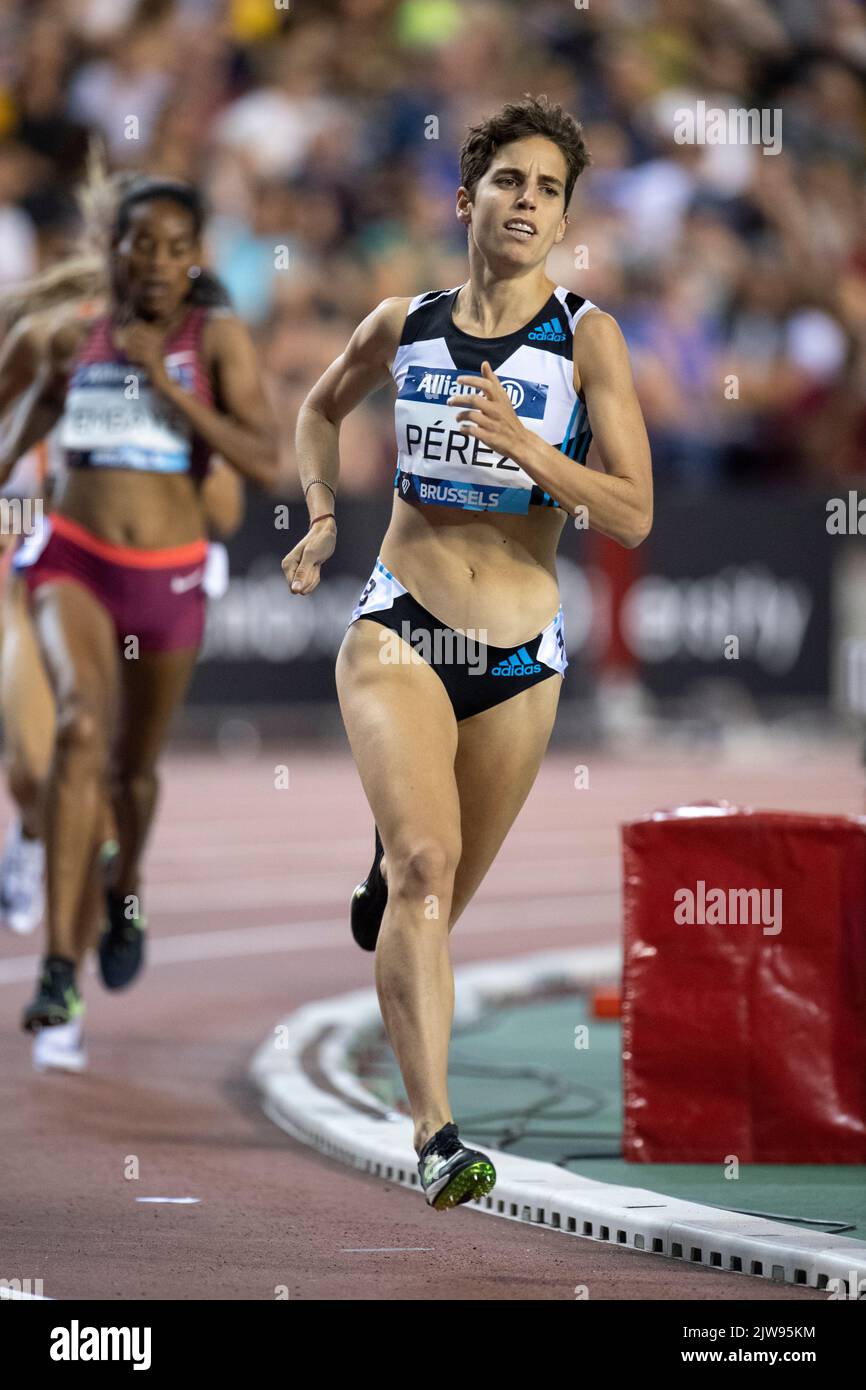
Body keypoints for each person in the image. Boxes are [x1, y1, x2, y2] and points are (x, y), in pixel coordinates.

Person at [281, 95, 653, 1211]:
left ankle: (384, 862)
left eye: (548, 188)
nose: (527, 200)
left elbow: (630, 513)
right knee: (425, 871)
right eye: (509, 181)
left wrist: (534, 450)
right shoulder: (405, 321)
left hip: (519, 657)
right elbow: (316, 410)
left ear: (563, 216)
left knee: (442, 897)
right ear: (467, 199)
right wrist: (318, 514)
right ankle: (437, 1131)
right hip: (400, 622)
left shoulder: (585, 335)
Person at [0, 174, 277, 1052]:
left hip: (167, 577)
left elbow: (265, 459)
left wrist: (172, 389)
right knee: (79, 733)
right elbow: (18, 419)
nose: (155, 261)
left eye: (173, 246)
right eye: (139, 244)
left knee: (132, 771)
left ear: (197, 257)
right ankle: (57, 970)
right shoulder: (63, 337)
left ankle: (126, 893)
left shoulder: (216, 338)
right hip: (72, 560)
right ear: (112, 253)